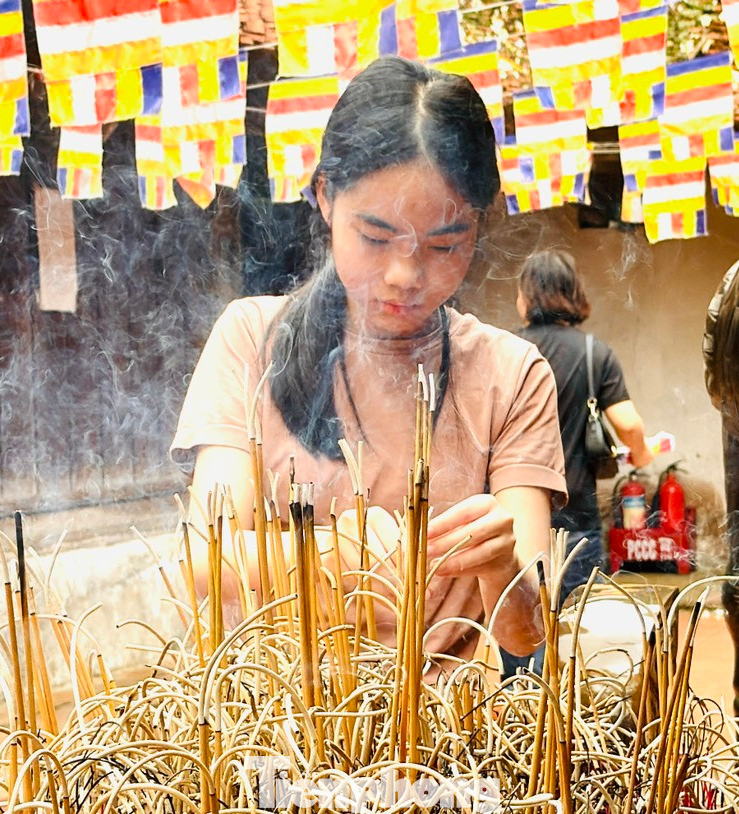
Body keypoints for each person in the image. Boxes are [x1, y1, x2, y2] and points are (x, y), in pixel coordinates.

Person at [170, 57, 567, 670]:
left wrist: (502, 565)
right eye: (376, 238)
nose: (405, 275)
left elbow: (528, 633)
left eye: (445, 245)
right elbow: (201, 562)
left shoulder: (512, 375)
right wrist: (337, 551)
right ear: (326, 196)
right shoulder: (252, 340)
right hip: (277, 735)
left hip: (441, 745)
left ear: (477, 226)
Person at [516, 248, 653, 600]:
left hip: (518, 511)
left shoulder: (509, 350)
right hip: (578, 514)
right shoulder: (595, 353)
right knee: (578, 630)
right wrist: (640, 456)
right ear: (573, 292)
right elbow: (630, 426)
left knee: (524, 635)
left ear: (527, 296)